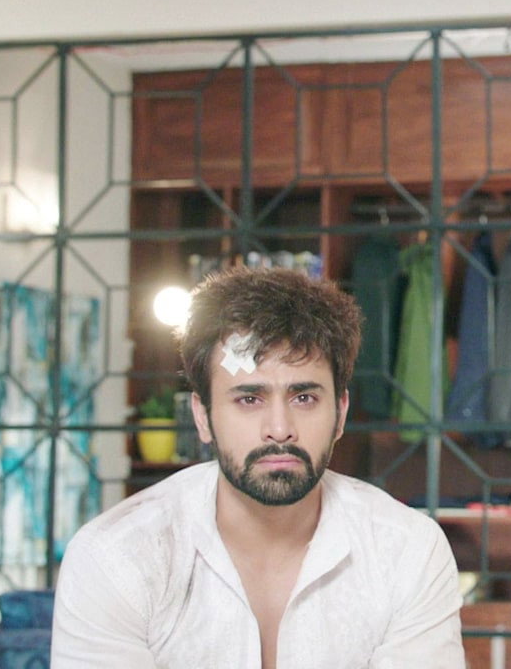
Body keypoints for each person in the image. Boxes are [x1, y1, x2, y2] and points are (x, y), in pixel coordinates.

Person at [51, 267, 466, 669]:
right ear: (202, 416)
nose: (280, 429)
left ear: (340, 413)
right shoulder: (118, 556)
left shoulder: (406, 551)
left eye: (304, 398)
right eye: (249, 399)